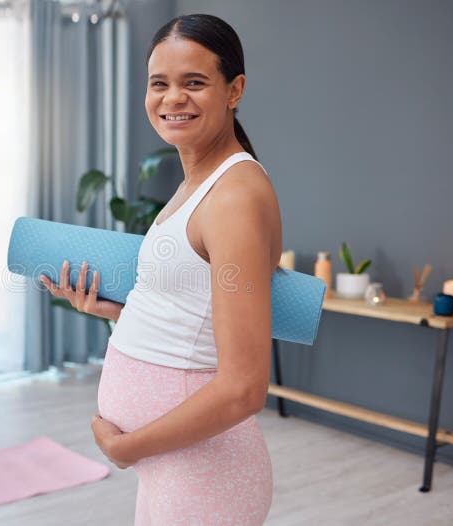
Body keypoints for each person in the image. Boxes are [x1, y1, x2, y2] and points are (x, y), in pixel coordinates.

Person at [40, 13, 281, 526]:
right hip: (177, 465)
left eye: (194, 82)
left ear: (234, 89)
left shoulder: (235, 195)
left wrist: (130, 448)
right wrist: (114, 311)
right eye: (159, 84)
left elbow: (244, 387)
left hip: (204, 472)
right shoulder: (199, 181)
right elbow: (192, 314)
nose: (173, 98)